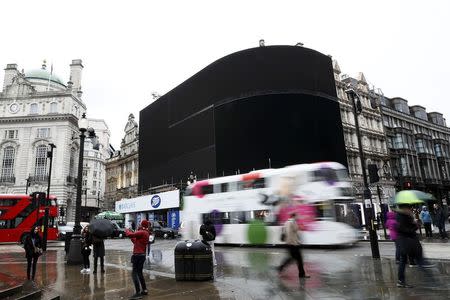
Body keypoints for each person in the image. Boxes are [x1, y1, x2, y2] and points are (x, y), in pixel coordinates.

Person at [396, 204, 433, 288]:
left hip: (408, 242)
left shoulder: (404, 215)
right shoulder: (401, 216)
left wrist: (415, 223)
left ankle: (401, 281)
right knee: (419, 260)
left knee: (404, 260)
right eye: (409, 208)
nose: (411, 209)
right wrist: (415, 225)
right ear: (405, 208)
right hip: (408, 243)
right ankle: (431, 280)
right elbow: (403, 229)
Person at [277, 212, 310, 279]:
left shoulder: (288, 222)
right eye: (297, 216)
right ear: (294, 216)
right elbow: (289, 233)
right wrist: (293, 243)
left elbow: (291, 233)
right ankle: (280, 268)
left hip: (293, 243)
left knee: (297, 259)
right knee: (293, 259)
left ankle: (301, 274)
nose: (298, 217)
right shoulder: (291, 222)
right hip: (293, 244)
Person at [126, 219, 150, 299]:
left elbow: (130, 235)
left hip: (137, 255)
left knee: (134, 273)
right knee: (139, 273)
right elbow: (135, 241)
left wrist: (127, 230)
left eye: (140, 224)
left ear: (142, 224)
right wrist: (132, 234)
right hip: (142, 255)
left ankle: (137, 293)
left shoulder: (142, 232)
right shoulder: (146, 233)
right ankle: (144, 290)